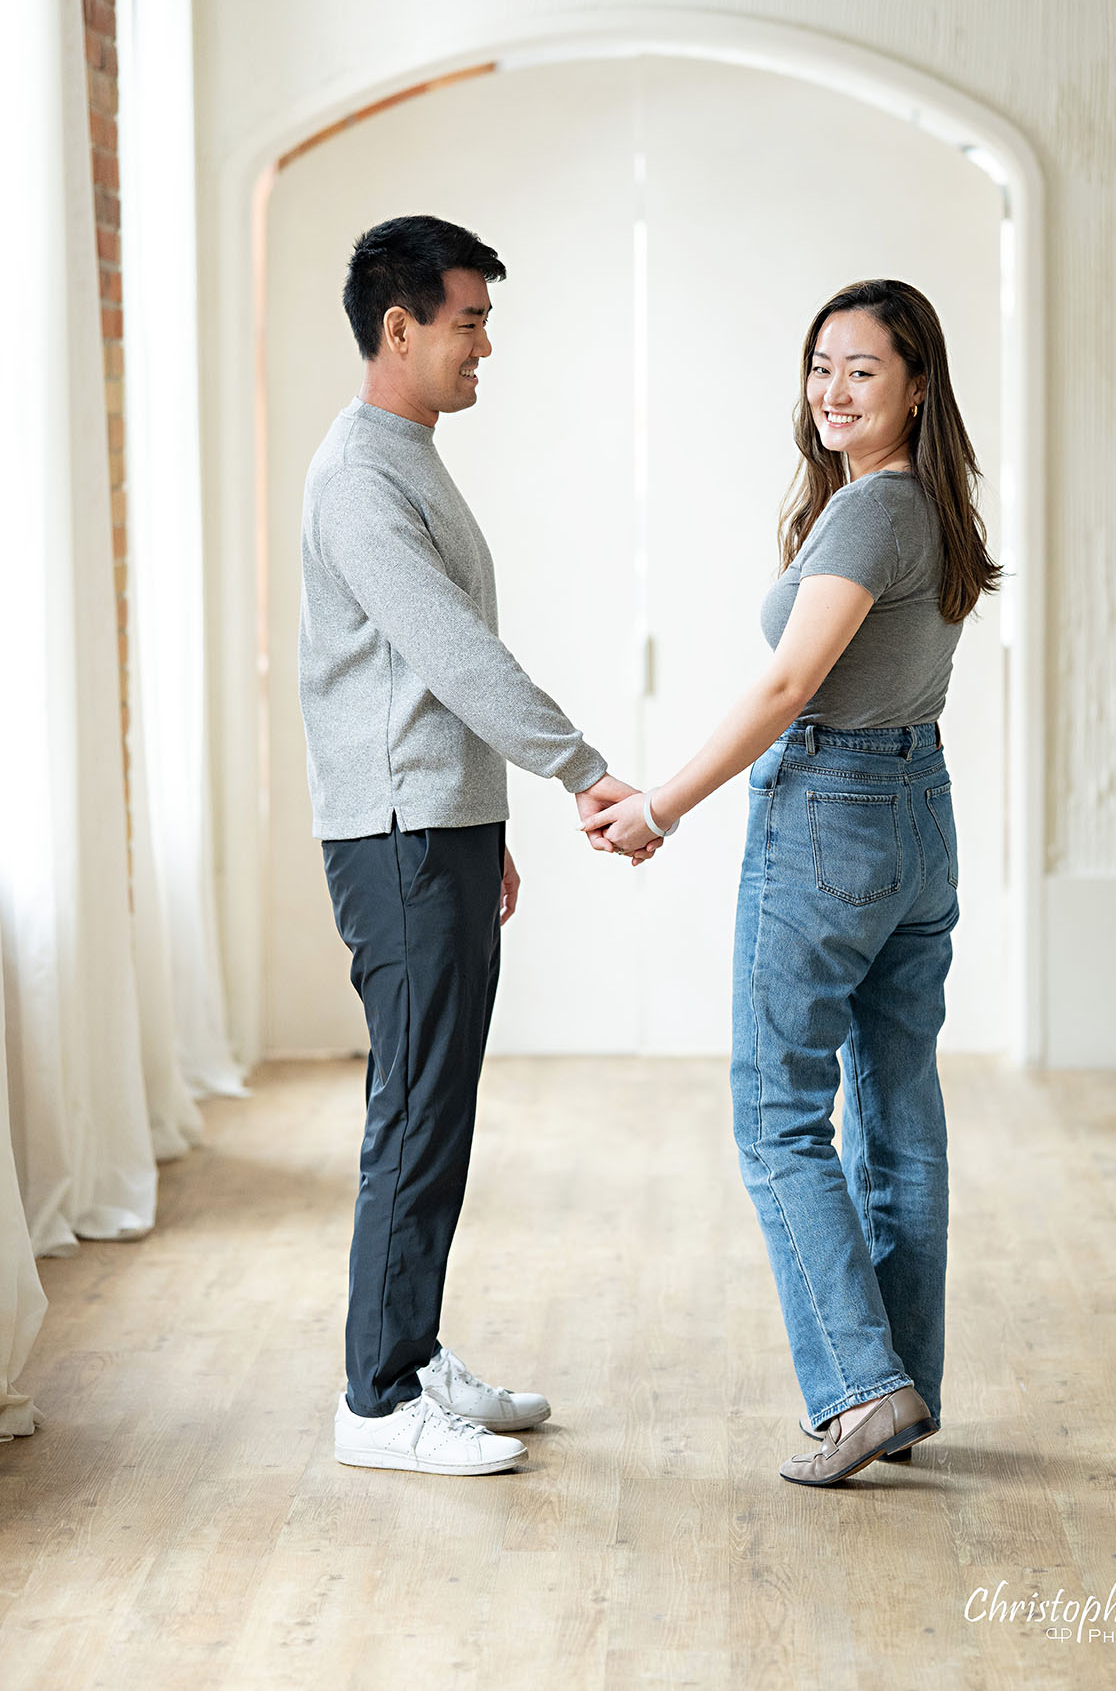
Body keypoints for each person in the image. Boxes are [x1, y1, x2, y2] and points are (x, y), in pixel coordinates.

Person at [584, 278, 1001, 1487]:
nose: (831, 390)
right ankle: (901, 1386)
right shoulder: (930, 506)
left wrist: (659, 804)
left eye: (861, 369)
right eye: (821, 365)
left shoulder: (874, 514)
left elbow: (784, 691)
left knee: (776, 1114)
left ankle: (862, 1388)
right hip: (916, 815)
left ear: (915, 385)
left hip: (833, 813)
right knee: (893, 1113)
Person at [299, 214, 656, 1479]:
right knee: (414, 1110)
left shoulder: (406, 453)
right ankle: (378, 1400)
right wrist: (580, 767)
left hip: (434, 825)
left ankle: (409, 1350)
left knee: (435, 1105)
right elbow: (450, 654)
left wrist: (483, 817)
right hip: (397, 835)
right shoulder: (359, 476)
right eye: (468, 322)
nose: (484, 346)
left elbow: (418, 674)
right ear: (397, 327)